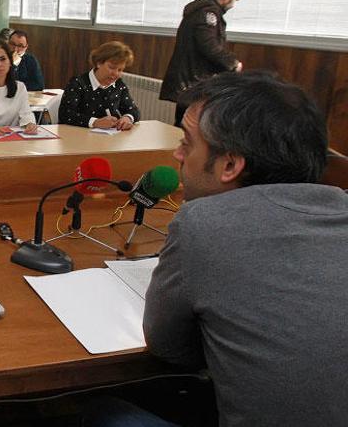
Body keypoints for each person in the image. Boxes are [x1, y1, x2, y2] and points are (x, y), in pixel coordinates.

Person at [140, 71, 347, 427]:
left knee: (101, 410)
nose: (177, 153)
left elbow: (169, 349)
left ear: (231, 165)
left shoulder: (202, 224)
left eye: (187, 143)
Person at [161, 0, 243, 126]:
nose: (234, 4)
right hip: (193, 80)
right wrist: (232, 63)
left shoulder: (199, 10)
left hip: (189, 80)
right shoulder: (208, 13)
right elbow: (208, 45)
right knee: (189, 127)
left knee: (183, 125)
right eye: (236, 0)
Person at [58, 41, 140, 130]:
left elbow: (134, 110)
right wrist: (95, 122)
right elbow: (65, 114)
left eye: (120, 70)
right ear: (99, 63)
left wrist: (128, 118)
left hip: (109, 140)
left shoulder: (119, 85)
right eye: (111, 67)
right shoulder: (78, 83)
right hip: (79, 137)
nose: (116, 74)